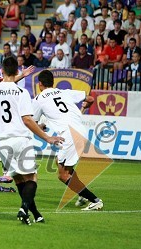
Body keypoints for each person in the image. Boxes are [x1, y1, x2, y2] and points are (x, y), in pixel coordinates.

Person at [0, 57, 64, 224]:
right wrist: (47, 137)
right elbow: (27, 120)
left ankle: (36, 214)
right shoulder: (22, 92)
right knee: (31, 178)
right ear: (17, 72)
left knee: (18, 179)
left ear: (2, 71)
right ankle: (24, 208)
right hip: (21, 139)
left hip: (2, 144)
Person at [32, 70, 104, 211]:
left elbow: (32, 122)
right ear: (53, 82)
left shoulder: (38, 99)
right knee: (61, 164)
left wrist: (41, 127)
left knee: (63, 174)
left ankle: (95, 200)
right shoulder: (64, 92)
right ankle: (80, 193)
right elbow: (90, 99)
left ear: (40, 84)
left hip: (69, 135)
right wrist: (85, 107)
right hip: (81, 130)